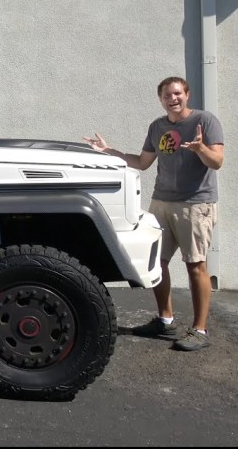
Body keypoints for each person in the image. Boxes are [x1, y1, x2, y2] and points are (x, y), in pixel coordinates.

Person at [83, 76, 224, 351]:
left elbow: (217, 161)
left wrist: (201, 148)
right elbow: (142, 162)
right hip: (161, 202)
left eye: (177, 93)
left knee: (196, 265)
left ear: (187, 94)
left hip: (195, 205)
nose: (173, 99)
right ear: (161, 99)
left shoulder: (204, 122)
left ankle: (200, 329)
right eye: (167, 95)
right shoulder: (157, 127)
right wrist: (107, 151)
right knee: (158, 263)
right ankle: (165, 319)